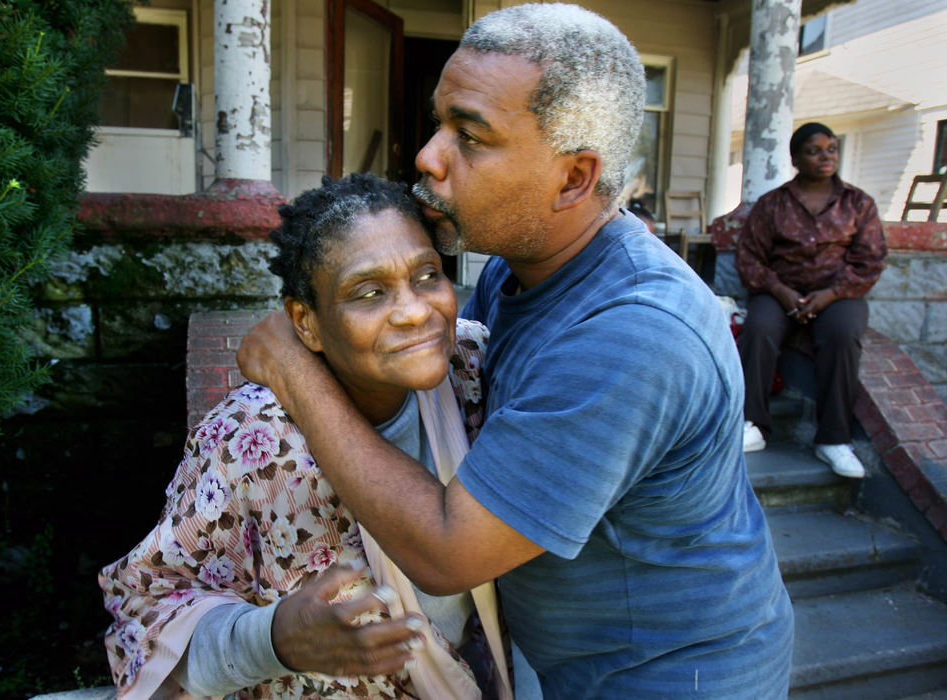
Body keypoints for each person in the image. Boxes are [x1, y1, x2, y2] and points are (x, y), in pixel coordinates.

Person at [238, 4, 794, 697]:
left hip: (668, 676)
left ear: (572, 179)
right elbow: (444, 407)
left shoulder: (629, 336)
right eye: (439, 121)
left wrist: (293, 369)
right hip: (567, 663)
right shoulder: (516, 264)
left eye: (469, 137)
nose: (427, 156)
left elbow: (449, 550)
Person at [98, 173, 512, 699]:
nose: (415, 311)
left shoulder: (474, 370)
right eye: (368, 292)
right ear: (305, 322)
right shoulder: (248, 443)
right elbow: (145, 612)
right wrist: (269, 640)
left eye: (428, 275)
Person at [736, 122, 887, 479]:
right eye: (814, 150)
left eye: (831, 149)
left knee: (843, 335)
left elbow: (870, 259)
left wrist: (829, 295)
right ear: (795, 158)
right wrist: (781, 291)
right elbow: (750, 258)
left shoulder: (857, 203)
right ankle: (752, 423)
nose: (825, 157)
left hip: (837, 294)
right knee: (758, 328)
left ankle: (833, 439)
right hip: (780, 290)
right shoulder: (773, 204)